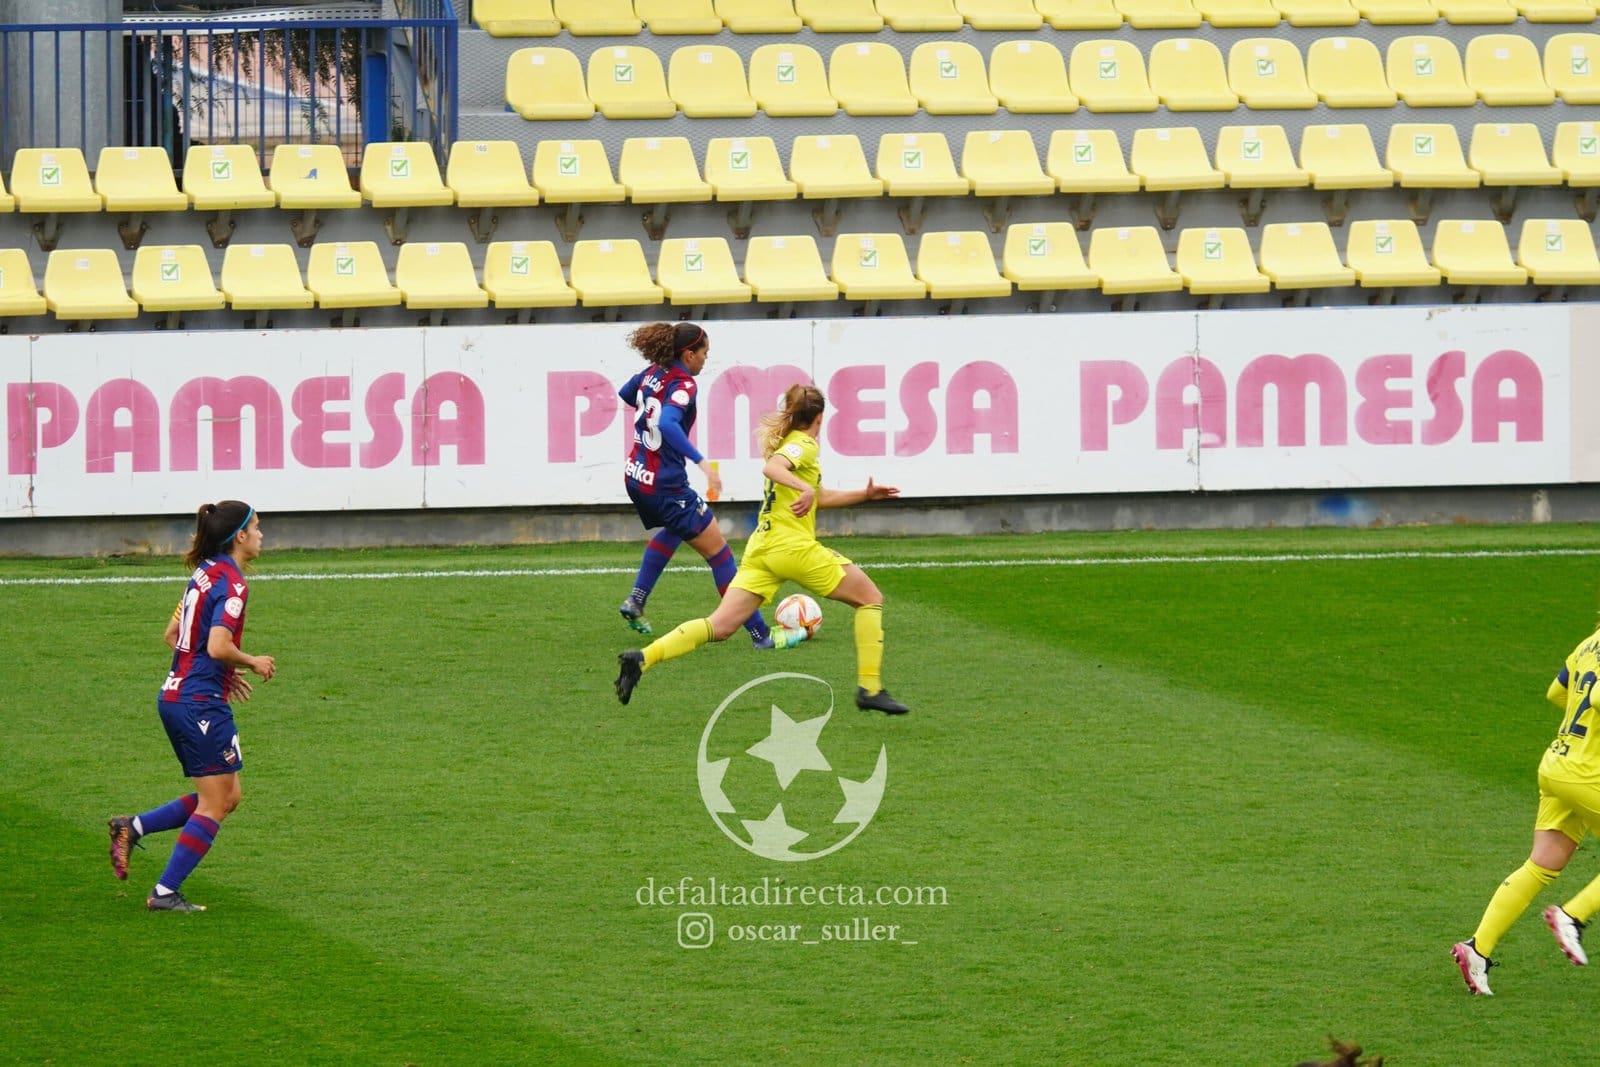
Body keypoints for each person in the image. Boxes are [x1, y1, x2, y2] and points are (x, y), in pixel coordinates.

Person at [615, 383, 910, 715]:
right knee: (869, 598)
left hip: (762, 549)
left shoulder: (789, 443)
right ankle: (870, 688)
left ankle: (642, 659)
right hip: (792, 548)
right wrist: (803, 489)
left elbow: (819, 496)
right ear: (819, 417)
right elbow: (774, 469)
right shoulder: (803, 445)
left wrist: (863, 495)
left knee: (720, 626)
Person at [107, 500, 276, 912]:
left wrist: (221, 673)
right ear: (240, 535)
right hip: (200, 703)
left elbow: (173, 634)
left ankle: (133, 827)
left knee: (228, 795)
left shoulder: (202, 574)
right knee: (215, 802)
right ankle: (165, 892)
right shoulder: (233, 584)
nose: (261, 535)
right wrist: (250, 661)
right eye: (256, 527)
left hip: (177, 696)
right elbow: (217, 645)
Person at [614, 321, 800, 651]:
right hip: (666, 486)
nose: (705, 359)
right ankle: (761, 636)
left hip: (636, 476)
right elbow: (667, 422)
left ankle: (637, 599)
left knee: (677, 529)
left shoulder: (652, 372)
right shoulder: (684, 384)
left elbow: (627, 394)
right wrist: (701, 462)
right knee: (720, 554)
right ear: (688, 354)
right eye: (704, 353)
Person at [1452, 617, 1600, 994]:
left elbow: (1556, 692)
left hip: (1558, 762)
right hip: (1589, 773)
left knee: (1543, 862)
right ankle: (1573, 916)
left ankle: (1478, 948)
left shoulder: (1589, 643)